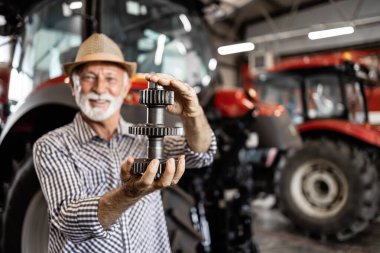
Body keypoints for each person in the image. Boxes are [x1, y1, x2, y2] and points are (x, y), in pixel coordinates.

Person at [33, 33, 216, 252]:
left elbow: (201, 154)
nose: (100, 88)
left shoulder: (145, 141)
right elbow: (70, 221)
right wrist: (127, 194)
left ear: (125, 87)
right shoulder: (51, 146)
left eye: (110, 78)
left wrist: (192, 114)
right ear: (73, 86)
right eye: (89, 77)